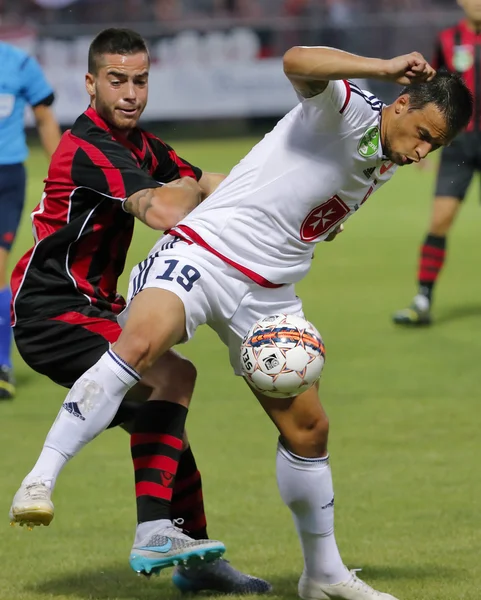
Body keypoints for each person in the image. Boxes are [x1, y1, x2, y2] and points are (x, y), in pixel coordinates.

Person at [12, 44, 473, 599]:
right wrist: (378, 66)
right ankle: (40, 479)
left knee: (309, 430)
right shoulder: (347, 105)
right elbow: (297, 59)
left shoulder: (386, 155)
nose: (422, 152)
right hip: (205, 252)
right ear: (399, 105)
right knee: (142, 344)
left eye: (435, 146)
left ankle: (322, 575)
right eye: (422, 135)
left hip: (270, 292)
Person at [9, 28, 270, 595]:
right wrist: (188, 187)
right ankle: (149, 528)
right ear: (91, 83)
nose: (130, 92)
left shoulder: (142, 145)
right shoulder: (87, 149)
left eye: (140, 80)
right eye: (116, 80)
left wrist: (286, 204)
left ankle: (195, 561)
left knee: (164, 423)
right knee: (173, 376)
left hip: (96, 306)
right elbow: (162, 210)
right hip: (52, 310)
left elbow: (208, 184)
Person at [393, 0, 481, 326]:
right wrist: (421, 140)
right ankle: (423, 300)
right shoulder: (448, 39)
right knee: (440, 221)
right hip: (459, 146)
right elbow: (430, 92)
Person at [0, 41, 61, 400]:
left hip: (6, 178)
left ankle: (2, 366)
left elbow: (44, 118)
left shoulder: (20, 64)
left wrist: (63, 175)